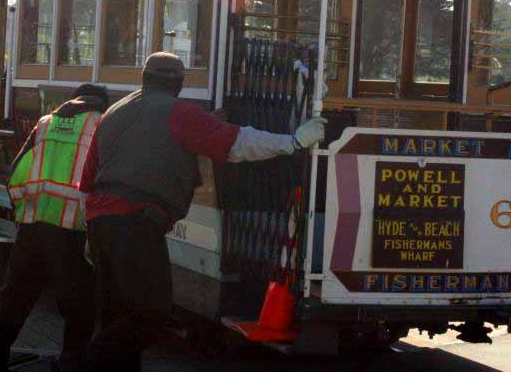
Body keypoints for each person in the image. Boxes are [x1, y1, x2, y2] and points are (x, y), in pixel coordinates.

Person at [64, 52, 326, 371]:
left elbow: (88, 180)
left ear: (144, 78)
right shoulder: (179, 112)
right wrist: (293, 142)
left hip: (100, 222)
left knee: (117, 317)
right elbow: (236, 144)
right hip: (137, 223)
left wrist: (91, 237)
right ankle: (75, 365)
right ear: (179, 83)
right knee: (152, 315)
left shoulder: (114, 112)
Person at [0, 84, 110, 372]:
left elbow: (19, 170)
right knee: (79, 306)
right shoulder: (101, 124)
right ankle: (70, 365)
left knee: (15, 297)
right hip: (73, 229)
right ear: (101, 104)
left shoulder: (47, 122)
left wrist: (23, 210)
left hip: (33, 226)